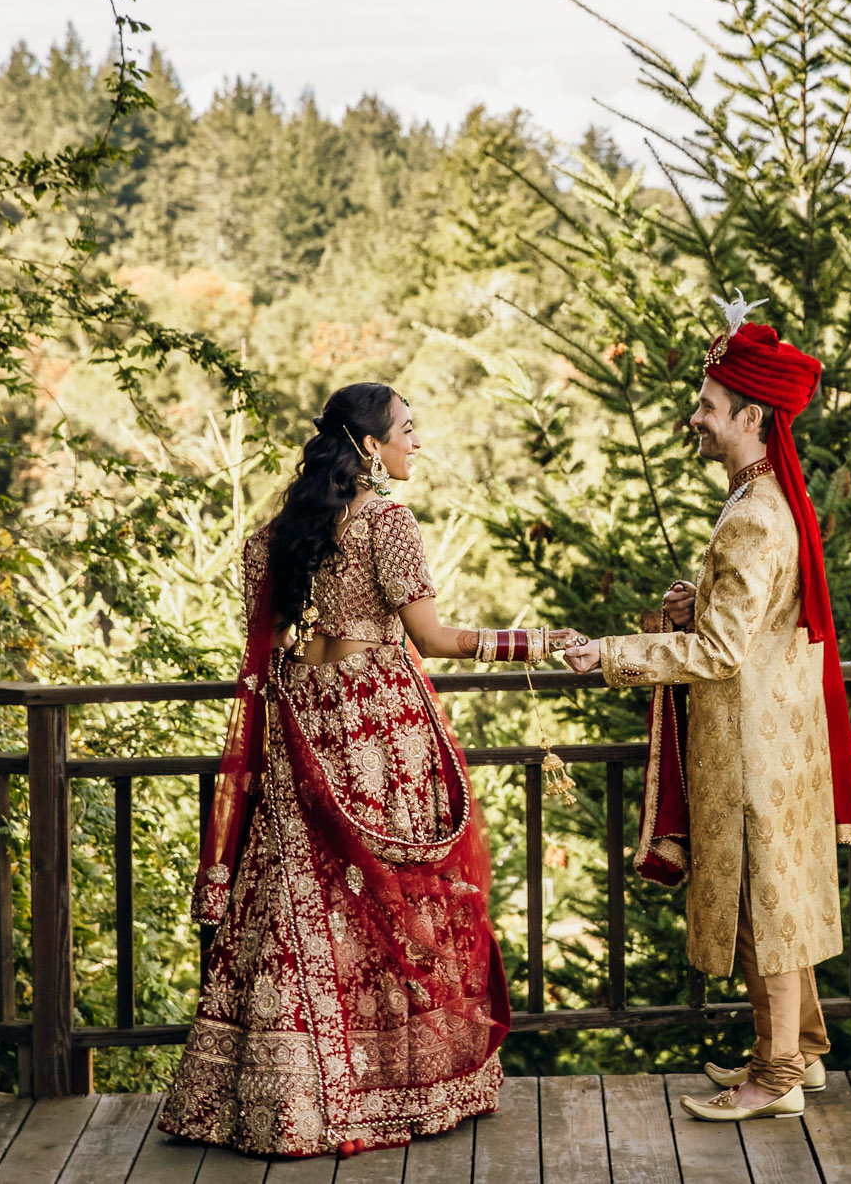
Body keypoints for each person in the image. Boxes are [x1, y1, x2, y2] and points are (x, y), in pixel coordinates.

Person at [159, 382, 585, 1158]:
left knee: (295, 892)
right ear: (368, 447)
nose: (416, 444)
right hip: (374, 729)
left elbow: (264, 648)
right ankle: (394, 1086)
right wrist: (536, 641)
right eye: (407, 432)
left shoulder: (275, 535)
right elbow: (434, 638)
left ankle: (276, 1095)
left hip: (302, 721)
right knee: (385, 898)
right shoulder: (388, 522)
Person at [564, 311, 851, 1123]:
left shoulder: (753, 515)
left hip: (750, 743)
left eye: (707, 404)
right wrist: (700, 602)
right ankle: (801, 1053)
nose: (694, 417)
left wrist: (613, 654)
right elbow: (761, 616)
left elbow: (723, 652)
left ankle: (774, 1077)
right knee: (786, 892)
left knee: (768, 902)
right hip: (783, 732)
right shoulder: (768, 499)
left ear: (750, 417)